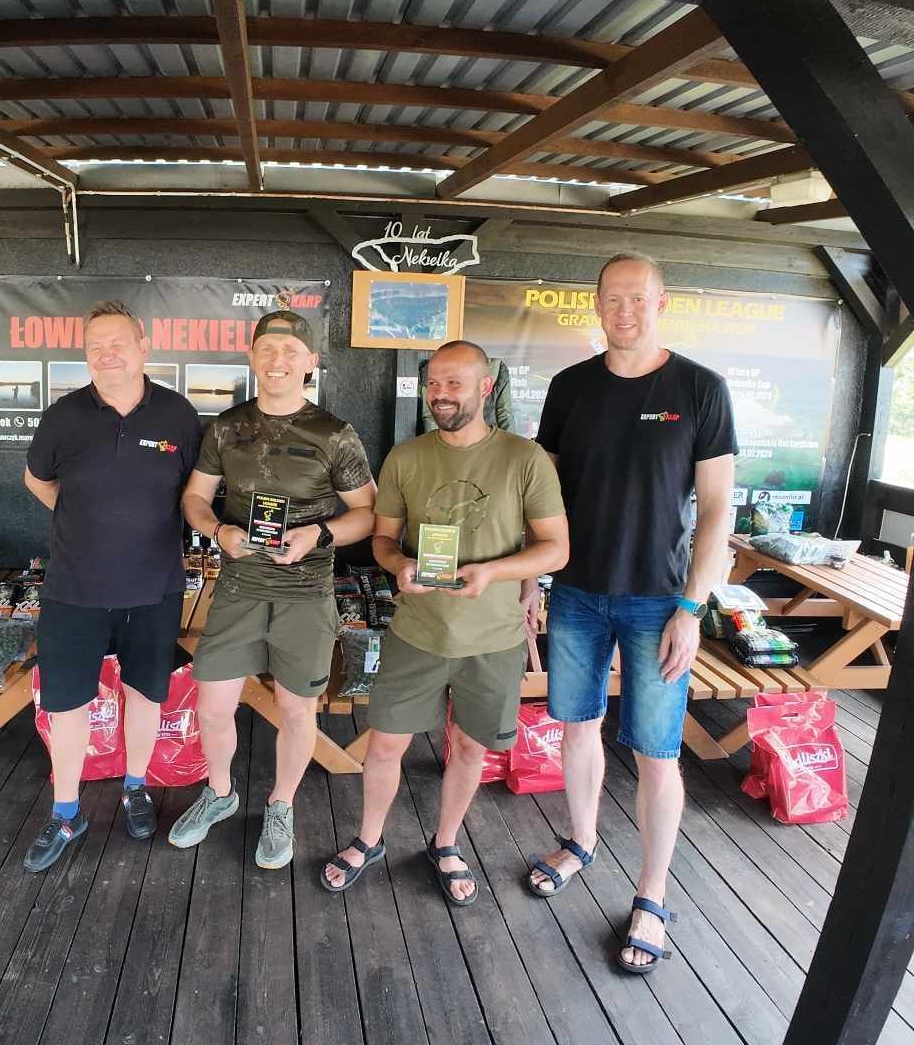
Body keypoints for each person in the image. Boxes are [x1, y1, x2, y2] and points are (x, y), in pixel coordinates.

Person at [525, 252, 737, 974]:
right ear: (596, 303)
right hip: (575, 591)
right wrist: (530, 578)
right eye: (612, 297)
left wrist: (692, 608)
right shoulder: (569, 387)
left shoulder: (700, 388)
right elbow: (544, 496)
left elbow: (717, 509)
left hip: (659, 600)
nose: (624, 310)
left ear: (661, 302)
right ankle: (581, 841)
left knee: (655, 750)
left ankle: (652, 893)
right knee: (577, 725)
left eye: (637, 298)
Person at [320, 340, 567, 905]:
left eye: (455, 382)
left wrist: (493, 572)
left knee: (470, 749)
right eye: (433, 382)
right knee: (386, 744)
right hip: (417, 632)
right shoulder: (405, 457)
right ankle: (369, 839)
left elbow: (556, 548)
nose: (441, 394)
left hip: (493, 639)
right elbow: (383, 539)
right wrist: (399, 565)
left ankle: (446, 842)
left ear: (486, 387)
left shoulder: (525, 459)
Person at [171, 310, 375, 869]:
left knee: (296, 710)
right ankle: (219, 792)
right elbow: (194, 498)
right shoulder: (226, 427)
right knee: (213, 705)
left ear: (311, 362)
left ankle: (281, 803)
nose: (277, 360)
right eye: (267, 349)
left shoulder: (334, 433)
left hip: (306, 594)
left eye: (290, 351)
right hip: (239, 587)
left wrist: (319, 533)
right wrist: (218, 531)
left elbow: (368, 512)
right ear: (251, 357)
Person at [20, 301, 203, 872]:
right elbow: (37, 479)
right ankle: (66, 812)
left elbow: (195, 490)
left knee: (146, 695)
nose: (107, 354)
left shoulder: (178, 414)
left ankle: (135, 787)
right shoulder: (64, 416)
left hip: (154, 586)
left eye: (118, 343)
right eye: (95, 346)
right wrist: (81, 521)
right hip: (74, 587)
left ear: (144, 346)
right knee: (67, 703)